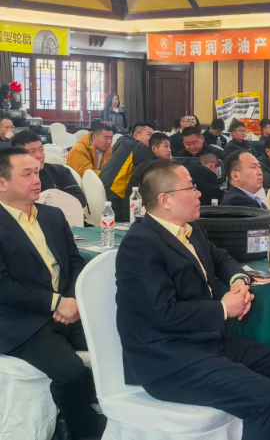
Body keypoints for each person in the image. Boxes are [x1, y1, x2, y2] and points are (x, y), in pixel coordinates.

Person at [115, 159, 270, 440]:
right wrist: (223, 308)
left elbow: (220, 257)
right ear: (165, 200)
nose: (199, 193)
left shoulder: (191, 228)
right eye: (190, 188)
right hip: (167, 360)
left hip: (206, 343)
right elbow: (163, 313)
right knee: (266, 397)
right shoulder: (141, 244)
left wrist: (239, 279)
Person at [0, 147, 104, 439]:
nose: (37, 179)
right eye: (27, 174)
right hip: (18, 320)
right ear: (2, 183)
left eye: (37, 172)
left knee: (118, 344)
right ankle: (82, 430)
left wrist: (71, 300)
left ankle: (104, 408)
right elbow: (3, 284)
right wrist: (55, 302)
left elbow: (74, 262)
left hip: (65, 309)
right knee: (70, 372)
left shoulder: (51, 215)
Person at [11, 131, 87, 208]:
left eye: (41, 149)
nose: (39, 156)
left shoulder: (60, 171)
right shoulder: (12, 178)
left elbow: (80, 199)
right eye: (32, 152)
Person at [100, 122, 155, 217]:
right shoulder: (139, 148)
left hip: (103, 197)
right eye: (149, 135)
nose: (153, 139)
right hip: (115, 204)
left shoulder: (123, 144)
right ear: (136, 135)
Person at [122, 132, 173, 218]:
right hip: (135, 211)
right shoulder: (150, 165)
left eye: (169, 147)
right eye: (166, 146)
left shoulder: (150, 161)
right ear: (154, 149)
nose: (169, 150)